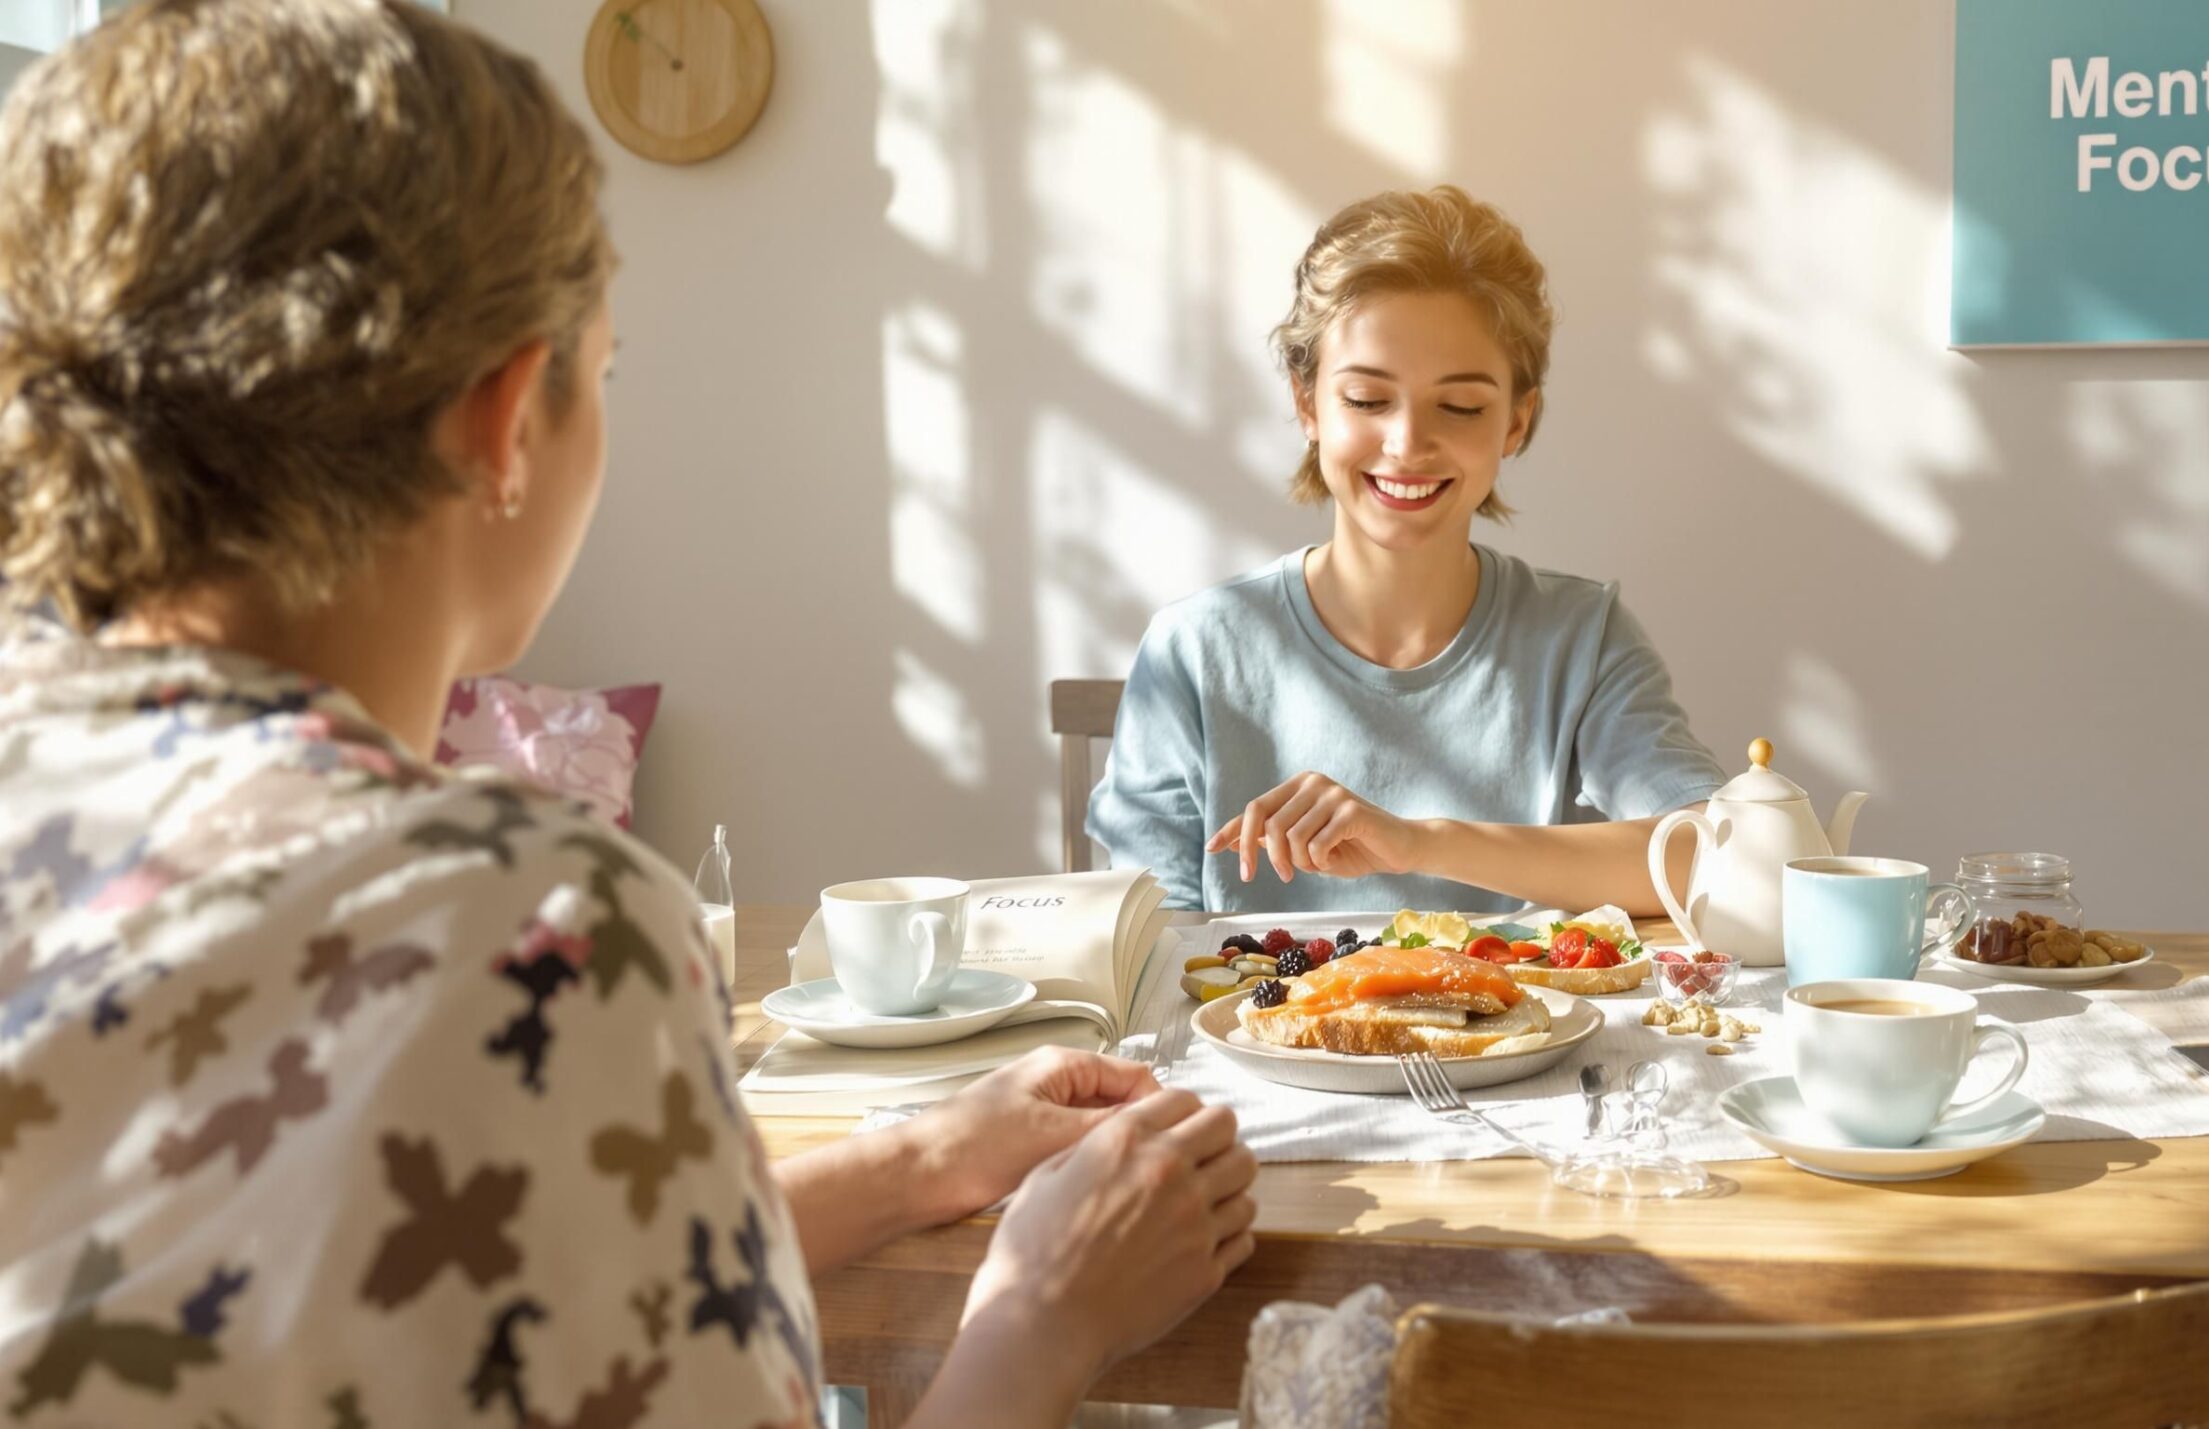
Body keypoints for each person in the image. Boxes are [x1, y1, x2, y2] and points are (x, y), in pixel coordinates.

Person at [0, 4, 1252, 1426]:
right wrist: (1043, 1316)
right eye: (607, 371)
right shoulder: (519, 922)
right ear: (507, 415)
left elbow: (419, 1278)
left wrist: (913, 1164)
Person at [1088, 186, 1725, 915]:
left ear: (1517, 421)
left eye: (1459, 407)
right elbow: (1144, 942)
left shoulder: (1583, 638)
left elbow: (1713, 854)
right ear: (1307, 404)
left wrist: (1421, 843)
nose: (1407, 444)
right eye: (1365, 399)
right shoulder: (1194, 650)